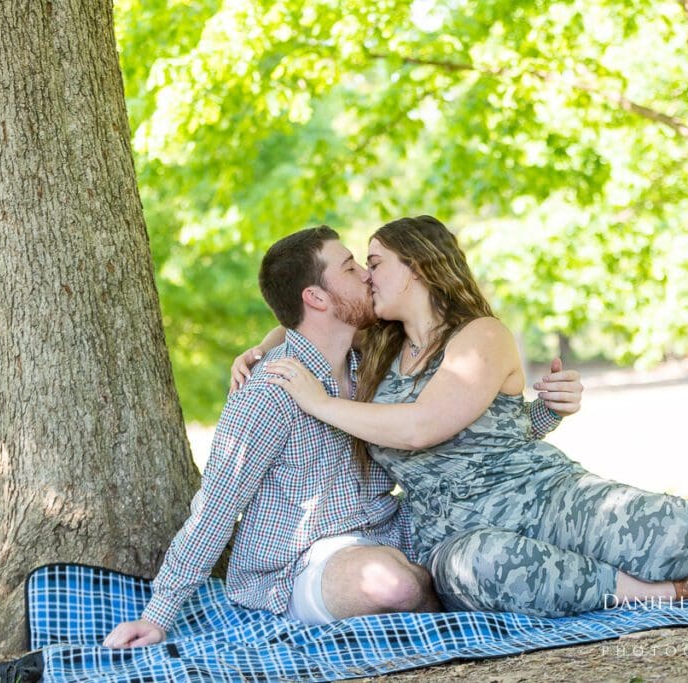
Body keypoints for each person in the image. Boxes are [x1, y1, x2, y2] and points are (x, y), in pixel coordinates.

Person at [257, 215, 688, 618]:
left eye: (373, 264)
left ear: (416, 268)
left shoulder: (480, 337)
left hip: (542, 497)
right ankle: (681, 592)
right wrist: (264, 344)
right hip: (457, 537)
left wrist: (321, 403)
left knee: (682, 531)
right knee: (488, 568)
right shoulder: (374, 347)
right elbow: (314, 315)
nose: (366, 278)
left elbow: (423, 426)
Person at [103, 226, 445, 648]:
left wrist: (539, 415)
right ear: (316, 298)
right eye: (350, 268)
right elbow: (215, 508)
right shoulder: (268, 392)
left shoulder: (373, 362)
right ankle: (428, 594)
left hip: (391, 528)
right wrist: (157, 616)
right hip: (301, 562)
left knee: (476, 542)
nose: (366, 275)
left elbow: (448, 425)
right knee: (393, 585)